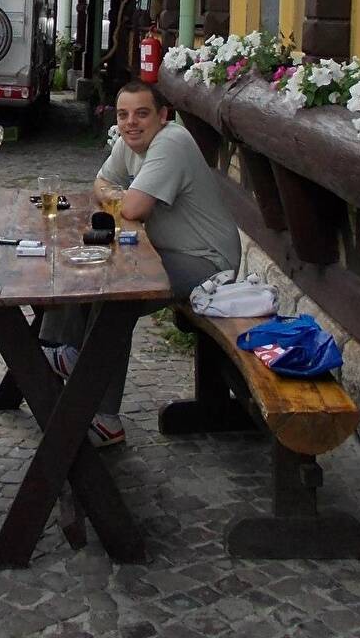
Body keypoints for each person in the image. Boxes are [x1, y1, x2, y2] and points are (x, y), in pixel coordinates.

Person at [41, 79, 242, 447]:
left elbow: (132, 209)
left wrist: (120, 197)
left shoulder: (171, 142)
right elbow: (101, 183)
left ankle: (103, 415)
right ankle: (66, 354)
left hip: (207, 262)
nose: (131, 122)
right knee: (89, 262)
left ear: (163, 116)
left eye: (141, 114)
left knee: (118, 296)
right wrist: (120, 194)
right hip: (164, 250)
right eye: (123, 115)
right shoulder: (129, 141)